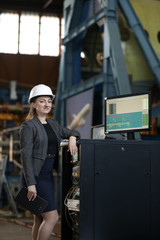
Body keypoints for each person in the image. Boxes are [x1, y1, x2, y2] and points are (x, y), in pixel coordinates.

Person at [19, 84, 80, 240]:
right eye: (42, 101)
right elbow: (26, 156)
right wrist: (30, 183)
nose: (46, 104)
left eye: (49, 101)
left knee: (39, 217)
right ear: (33, 104)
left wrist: (72, 138)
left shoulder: (53, 124)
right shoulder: (28, 126)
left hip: (47, 175)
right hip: (35, 175)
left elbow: (73, 131)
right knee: (52, 218)